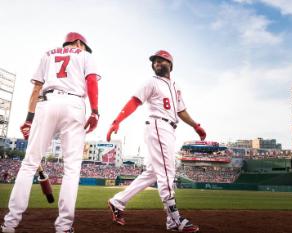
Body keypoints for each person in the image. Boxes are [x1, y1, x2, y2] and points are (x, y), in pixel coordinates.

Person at [1, 32, 100, 233]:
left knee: (29, 164)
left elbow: (36, 89)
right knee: (71, 168)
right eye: (83, 46)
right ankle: (64, 227)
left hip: (47, 103)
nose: (83, 49)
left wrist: (29, 119)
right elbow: (91, 82)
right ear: (79, 43)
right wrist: (95, 111)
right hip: (74, 104)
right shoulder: (85, 56)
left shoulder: (48, 54)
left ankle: (10, 223)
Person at [106, 50, 206, 233]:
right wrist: (116, 121)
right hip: (158, 126)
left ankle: (117, 201)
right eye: (155, 61)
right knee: (167, 172)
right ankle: (174, 219)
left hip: (169, 128)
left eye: (161, 60)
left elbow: (181, 111)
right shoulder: (151, 82)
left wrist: (196, 125)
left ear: (171, 64)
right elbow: (134, 102)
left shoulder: (175, 87)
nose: (157, 63)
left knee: (153, 172)